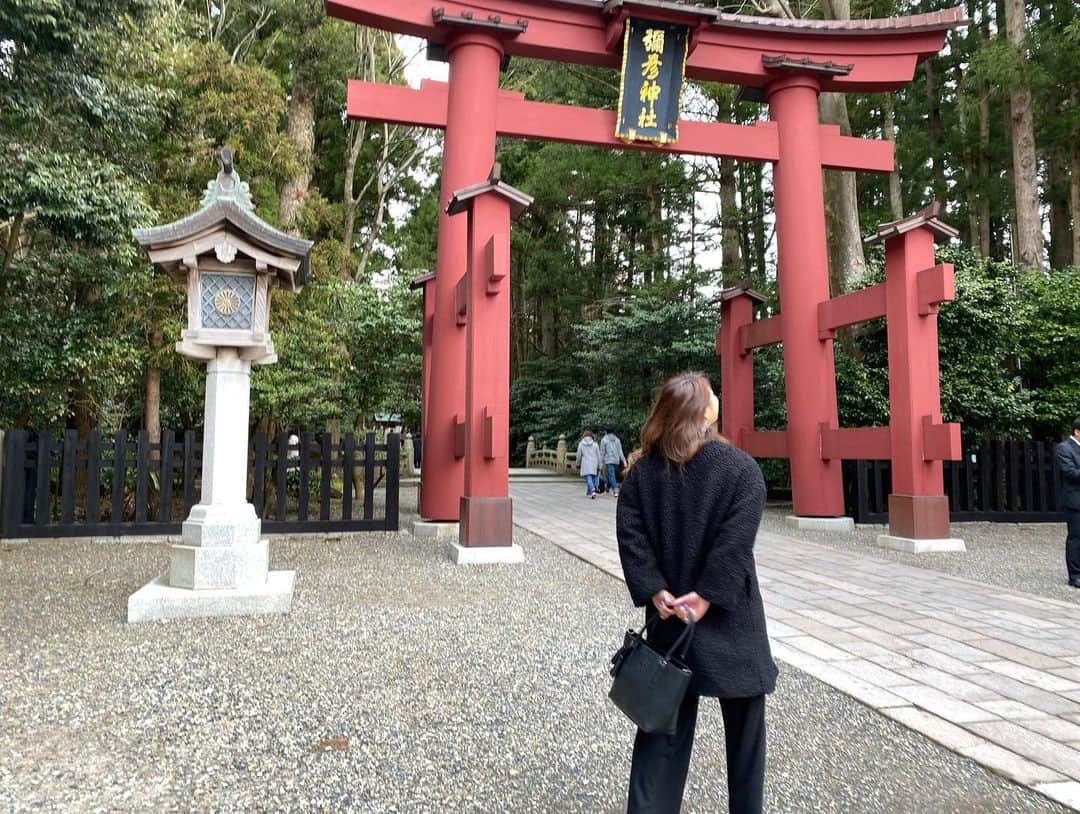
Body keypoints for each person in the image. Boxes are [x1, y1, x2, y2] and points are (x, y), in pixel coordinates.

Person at [616, 372, 776, 814]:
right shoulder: (742, 470)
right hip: (731, 621)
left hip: (672, 621)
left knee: (661, 727)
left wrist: (656, 592)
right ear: (705, 414)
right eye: (713, 397)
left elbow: (631, 538)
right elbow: (735, 544)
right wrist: (704, 596)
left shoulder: (642, 473)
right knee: (745, 734)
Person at [1056, 418, 1080, 587]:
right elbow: (1070, 473)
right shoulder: (1064, 448)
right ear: (1077, 431)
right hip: (1075, 499)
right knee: (1076, 538)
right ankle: (1075, 575)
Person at [600, 426, 628, 497]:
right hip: (616, 460)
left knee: (611, 475)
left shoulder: (604, 440)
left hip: (609, 460)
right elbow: (620, 451)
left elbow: (602, 452)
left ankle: (615, 490)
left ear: (606, 432)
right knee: (611, 474)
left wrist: (600, 462)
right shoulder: (617, 440)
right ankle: (608, 487)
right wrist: (624, 461)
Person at [576, 430, 602, 499]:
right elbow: (598, 455)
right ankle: (589, 491)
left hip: (586, 463)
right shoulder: (595, 444)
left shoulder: (581, 444)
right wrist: (600, 465)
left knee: (588, 478)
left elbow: (578, 454)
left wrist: (577, 462)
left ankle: (592, 490)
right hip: (594, 462)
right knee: (592, 478)